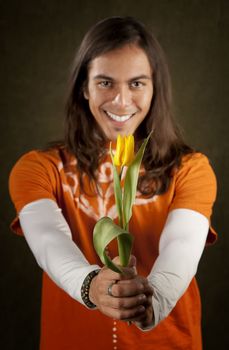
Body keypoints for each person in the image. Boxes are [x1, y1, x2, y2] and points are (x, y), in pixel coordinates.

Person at [9, 16, 217, 350]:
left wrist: (155, 300)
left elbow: (183, 244)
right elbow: (47, 238)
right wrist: (89, 283)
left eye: (136, 83)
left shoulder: (191, 169)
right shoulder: (39, 168)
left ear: (154, 88)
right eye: (105, 82)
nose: (121, 101)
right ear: (84, 87)